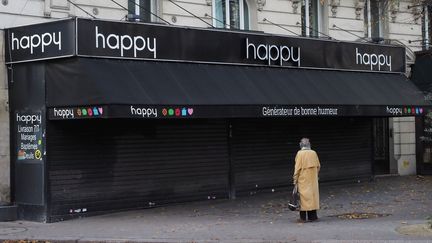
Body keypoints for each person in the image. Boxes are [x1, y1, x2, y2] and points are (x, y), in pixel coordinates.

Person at [293, 138, 321, 222]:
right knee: (312, 197)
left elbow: (297, 168)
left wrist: (295, 179)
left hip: (303, 179)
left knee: (303, 197)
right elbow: (318, 166)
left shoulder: (300, 154)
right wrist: (315, 174)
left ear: (301, 145)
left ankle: (303, 218)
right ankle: (313, 217)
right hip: (313, 179)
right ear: (309, 144)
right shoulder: (313, 153)